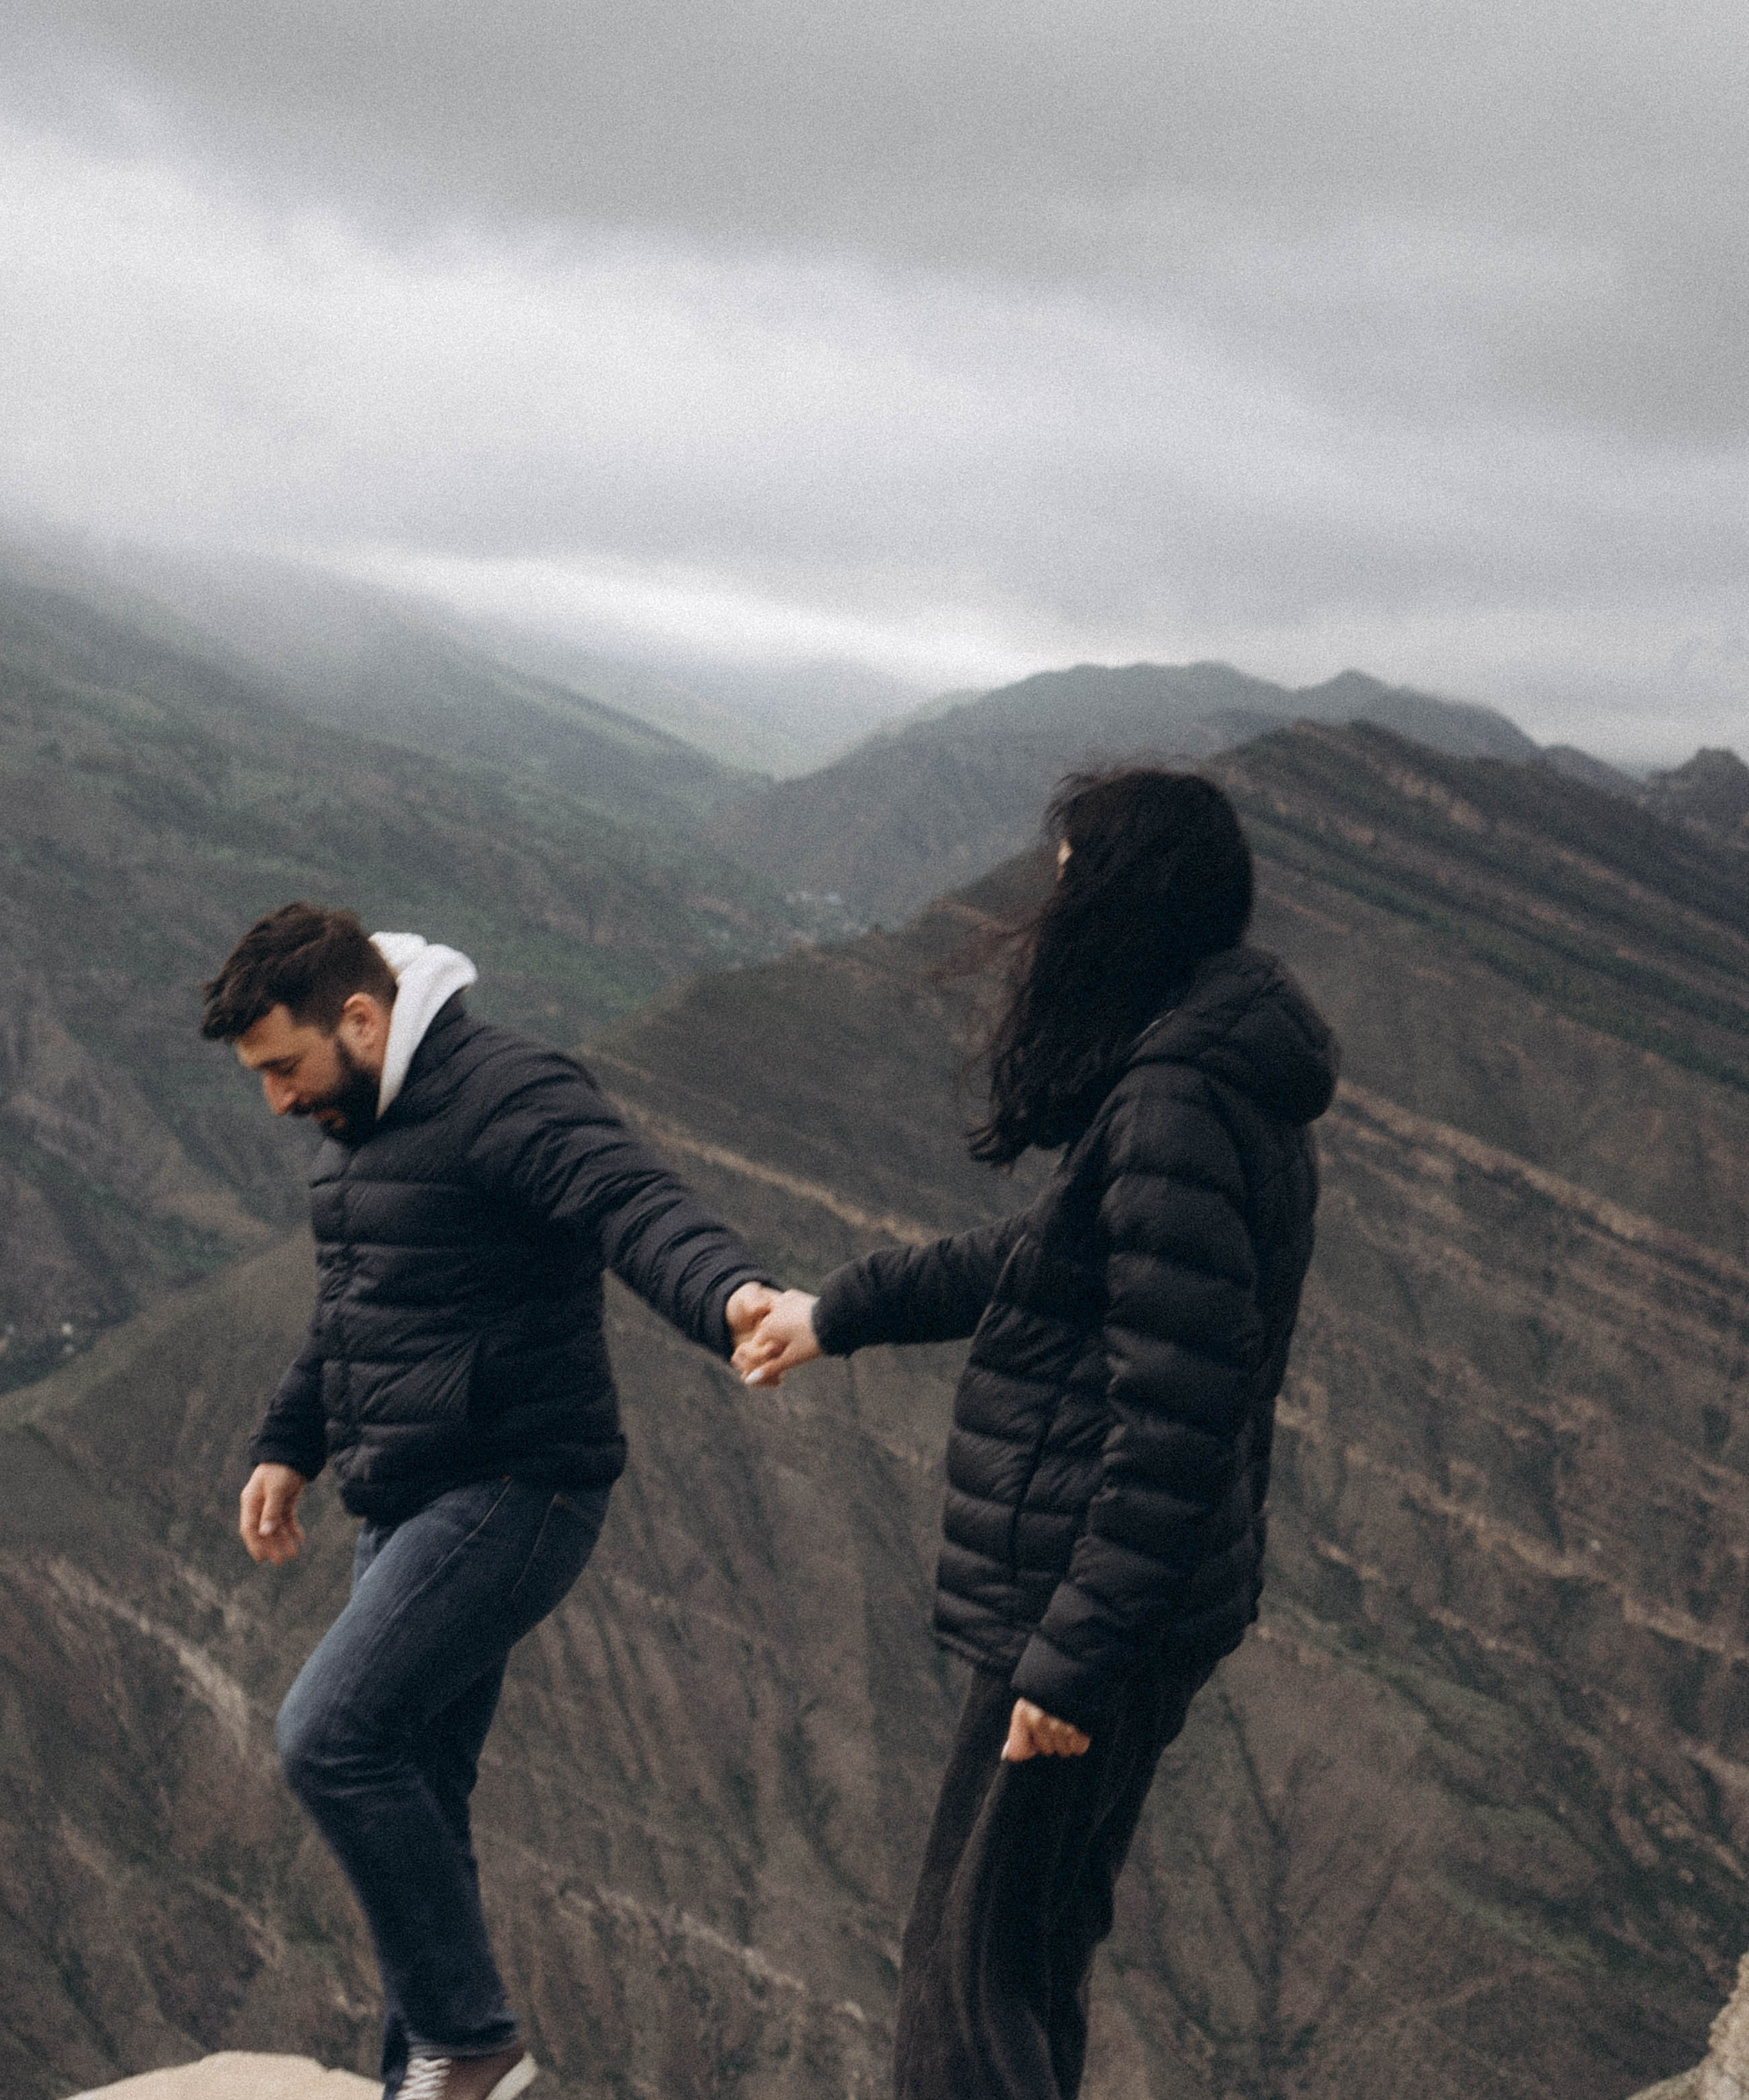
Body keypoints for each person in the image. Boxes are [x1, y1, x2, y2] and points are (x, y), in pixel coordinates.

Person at [733, 766, 1339, 2100]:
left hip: (1087, 1609)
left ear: (1123, 907)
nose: (1045, 919)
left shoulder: (1180, 1102)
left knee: (967, 1988)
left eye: (1067, 888)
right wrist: (838, 1311)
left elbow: (1176, 1420)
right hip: (1123, 1606)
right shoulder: (1201, 1079)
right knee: (1022, 1962)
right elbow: (1049, 1254)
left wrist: (1069, 1662)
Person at [203, 904, 779, 2100]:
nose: (275, 1100)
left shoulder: (504, 1091)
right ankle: (427, 2077)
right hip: (405, 1497)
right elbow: (359, 1304)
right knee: (415, 1786)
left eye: (284, 1068)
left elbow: (631, 1201)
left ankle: (470, 2042)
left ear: (360, 1020)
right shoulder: (360, 1124)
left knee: (330, 1735)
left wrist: (728, 1293)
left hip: (516, 1487)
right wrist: (288, 1444)